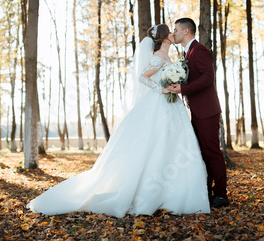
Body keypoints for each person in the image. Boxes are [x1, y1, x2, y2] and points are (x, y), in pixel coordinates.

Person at [27, 24, 210, 218]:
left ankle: (174, 193)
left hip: (172, 106)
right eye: (171, 32)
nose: (174, 34)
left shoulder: (168, 56)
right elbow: (143, 77)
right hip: (159, 103)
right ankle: (152, 193)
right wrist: (162, 89)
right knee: (156, 144)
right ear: (164, 38)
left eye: (176, 31)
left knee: (171, 146)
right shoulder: (157, 57)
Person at [168, 17, 229, 209]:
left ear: (186, 31)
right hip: (198, 111)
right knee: (204, 153)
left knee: (212, 152)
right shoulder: (187, 54)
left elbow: (208, 78)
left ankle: (221, 194)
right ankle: (209, 192)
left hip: (207, 111)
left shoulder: (199, 50)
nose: (174, 32)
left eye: (176, 29)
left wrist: (183, 89)